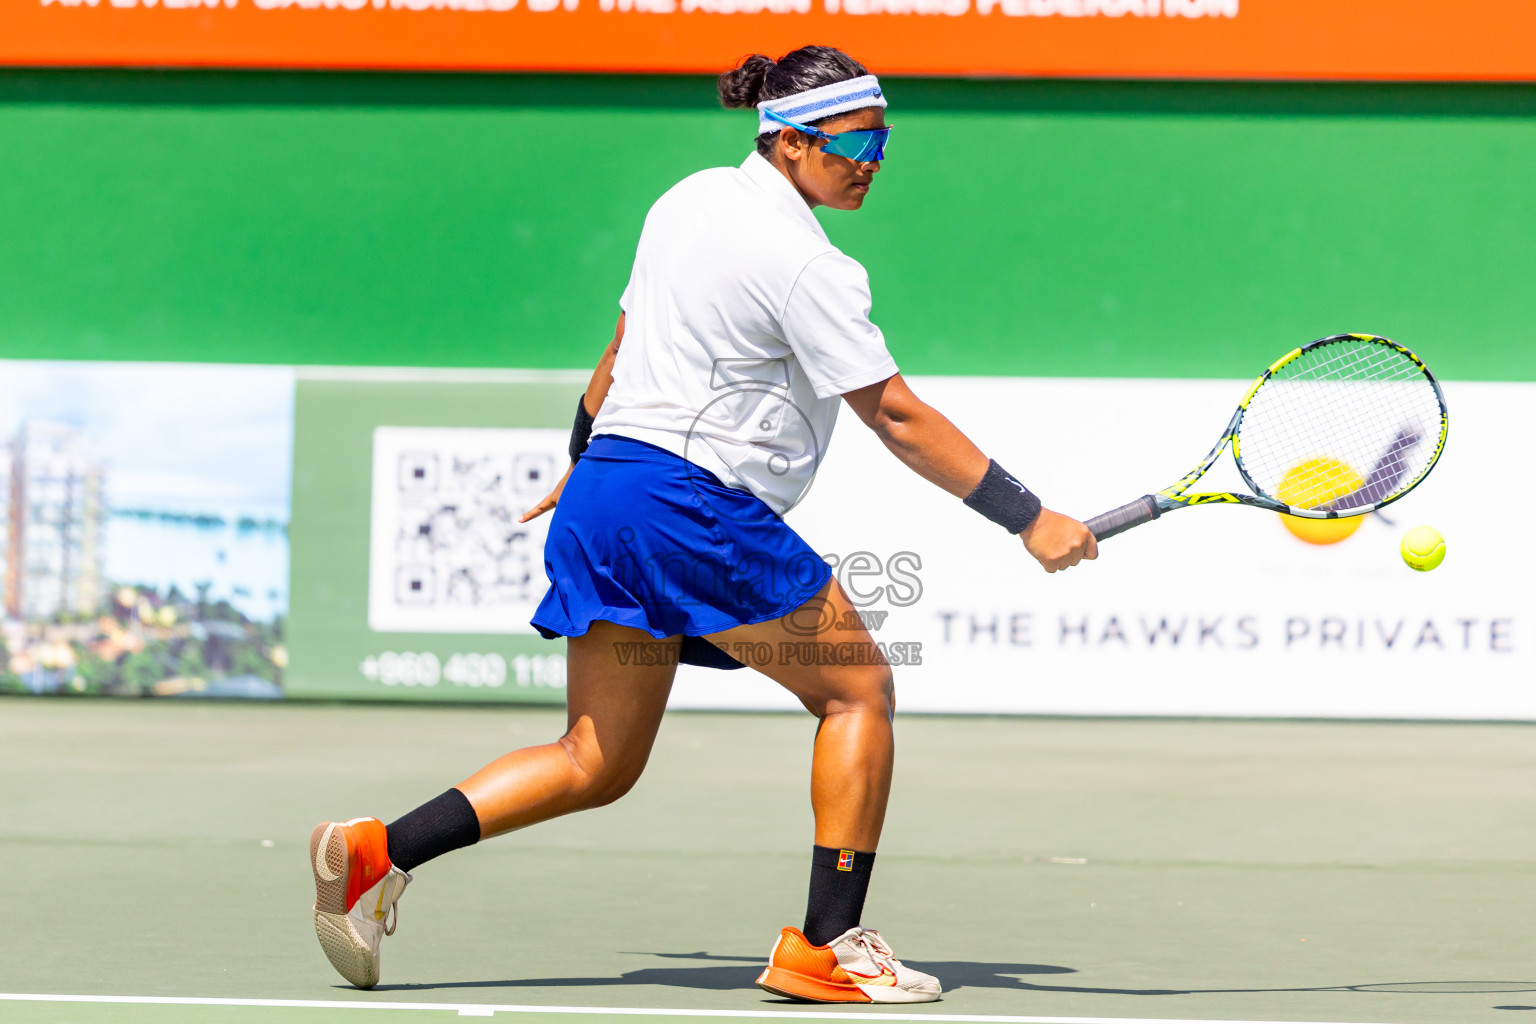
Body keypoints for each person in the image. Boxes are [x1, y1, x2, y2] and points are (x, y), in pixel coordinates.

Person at [308, 44, 1096, 1004]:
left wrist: (583, 458)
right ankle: (827, 946)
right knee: (858, 692)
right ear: (793, 142)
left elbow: (617, 352)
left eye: (885, 140)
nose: (875, 160)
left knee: (593, 761)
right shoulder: (811, 265)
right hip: (688, 504)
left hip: (609, 487)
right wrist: (1028, 516)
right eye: (859, 141)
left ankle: (377, 852)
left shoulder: (681, 202)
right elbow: (894, 414)